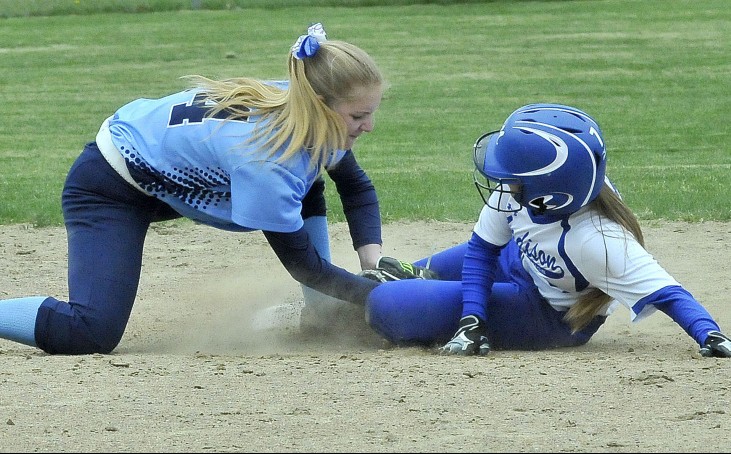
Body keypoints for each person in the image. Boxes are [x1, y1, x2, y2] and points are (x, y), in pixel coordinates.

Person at [0, 23, 426, 355]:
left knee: (306, 182)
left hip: (159, 171)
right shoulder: (267, 160)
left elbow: (354, 186)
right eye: (358, 116)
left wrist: (375, 261)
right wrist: (387, 297)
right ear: (321, 106)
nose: (368, 126)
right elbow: (305, 266)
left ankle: (321, 314)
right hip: (108, 187)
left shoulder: (303, 112)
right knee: (90, 331)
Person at [363, 103, 731, 358]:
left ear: (550, 194)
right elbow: (483, 249)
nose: (503, 183)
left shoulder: (596, 241)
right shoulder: (531, 194)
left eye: (513, 179)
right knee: (388, 278)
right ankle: (421, 279)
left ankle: (421, 287)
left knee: (386, 305)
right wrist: (471, 319)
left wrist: (709, 334)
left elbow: (668, 292)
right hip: (521, 258)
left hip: (546, 314)